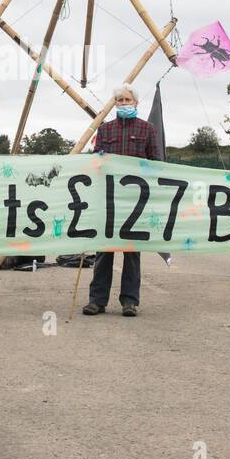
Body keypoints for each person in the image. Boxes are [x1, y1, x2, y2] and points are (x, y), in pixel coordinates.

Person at [82, 85, 162, 318]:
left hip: (135, 200)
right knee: (104, 250)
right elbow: (97, 159)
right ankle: (97, 301)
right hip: (109, 198)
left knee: (131, 251)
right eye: (119, 100)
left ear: (135, 103)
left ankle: (130, 301)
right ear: (115, 104)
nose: (123, 102)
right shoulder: (105, 129)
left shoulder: (147, 129)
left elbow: (156, 161)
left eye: (127, 99)